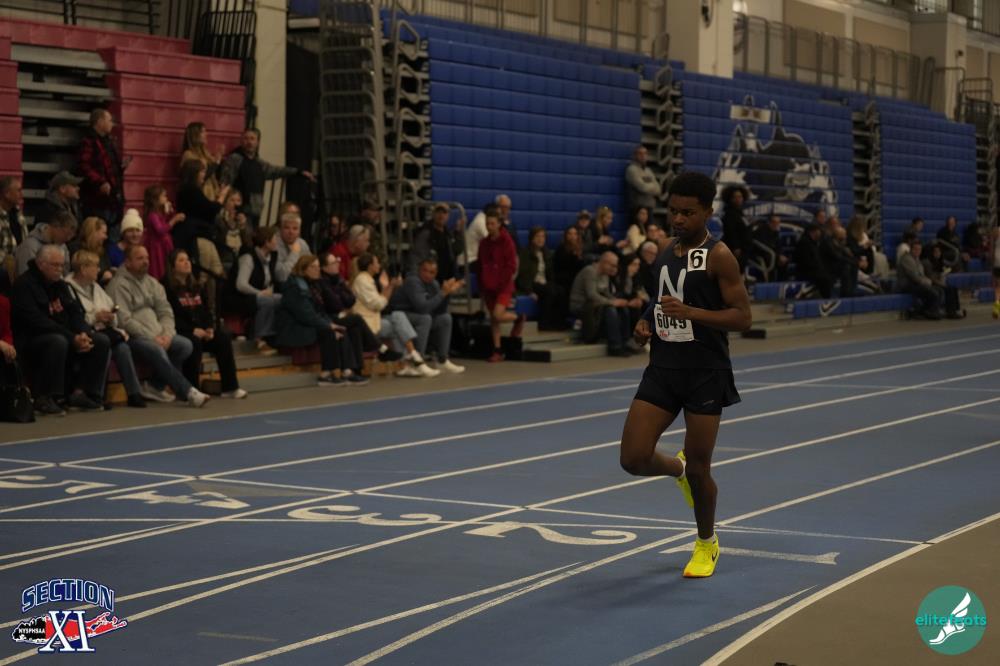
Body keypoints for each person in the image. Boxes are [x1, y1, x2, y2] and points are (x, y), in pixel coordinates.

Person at [620, 171, 752, 579]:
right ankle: (674, 470)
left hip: (704, 372)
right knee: (633, 458)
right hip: (663, 368)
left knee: (700, 468)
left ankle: (706, 543)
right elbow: (662, 299)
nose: (678, 219)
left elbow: (742, 317)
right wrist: (646, 320)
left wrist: (692, 313)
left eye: (688, 213)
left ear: (708, 212)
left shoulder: (719, 255)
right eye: (674, 211)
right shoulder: (666, 249)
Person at [11, 245, 112, 415]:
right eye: (55, 265)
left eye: (62, 265)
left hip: (63, 335)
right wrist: (72, 337)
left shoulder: (61, 285)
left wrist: (83, 333)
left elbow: (75, 312)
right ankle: (45, 398)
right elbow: (38, 322)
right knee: (57, 341)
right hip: (31, 339)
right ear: (41, 264)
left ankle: (81, 393)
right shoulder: (24, 285)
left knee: (100, 340)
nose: (60, 269)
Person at [107, 245, 211, 407]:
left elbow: (166, 312)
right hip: (133, 337)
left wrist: (167, 334)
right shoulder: (118, 285)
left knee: (185, 345)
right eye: (140, 258)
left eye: (147, 258)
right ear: (127, 262)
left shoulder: (153, 283)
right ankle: (188, 392)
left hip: (158, 334)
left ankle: (155, 385)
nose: (145, 262)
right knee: (156, 349)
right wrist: (152, 337)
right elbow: (124, 320)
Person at [67, 249, 146, 408]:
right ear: (83, 269)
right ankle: (96, 394)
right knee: (104, 344)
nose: (99, 269)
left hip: (103, 330)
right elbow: (73, 318)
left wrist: (110, 317)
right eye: (95, 266)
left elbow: (111, 308)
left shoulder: (96, 287)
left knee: (122, 348)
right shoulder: (68, 288)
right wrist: (95, 317)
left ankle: (134, 393)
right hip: (84, 333)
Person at [163, 249, 247, 398]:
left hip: (200, 330)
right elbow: (169, 315)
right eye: (181, 260)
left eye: (187, 259)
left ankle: (230, 387)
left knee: (222, 339)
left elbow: (206, 310)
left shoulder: (196, 285)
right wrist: (191, 330)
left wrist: (209, 328)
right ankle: (192, 390)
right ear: (173, 267)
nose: (187, 263)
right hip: (180, 331)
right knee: (193, 342)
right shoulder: (166, 288)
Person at [276, 254, 367, 386]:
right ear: (303, 269)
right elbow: (306, 315)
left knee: (339, 328)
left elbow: (320, 312)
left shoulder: (312, 285)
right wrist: (328, 326)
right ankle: (325, 374)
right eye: (313, 267)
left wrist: (331, 324)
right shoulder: (295, 287)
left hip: (304, 324)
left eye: (318, 267)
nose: (317, 270)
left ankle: (347, 371)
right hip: (292, 329)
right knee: (328, 331)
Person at [352, 253, 438, 377]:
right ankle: (415, 358)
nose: (379, 265)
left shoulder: (369, 279)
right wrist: (391, 286)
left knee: (398, 318)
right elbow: (378, 304)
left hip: (375, 319)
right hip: (366, 323)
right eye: (377, 263)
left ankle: (407, 362)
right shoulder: (362, 280)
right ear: (370, 266)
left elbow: (381, 300)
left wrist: (388, 286)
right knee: (398, 320)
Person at [317, 251, 402, 368]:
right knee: (394, 324)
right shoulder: (324, 282)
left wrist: (387, 287)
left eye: (337, 261)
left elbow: (350, 300)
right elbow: (336, 304)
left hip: (348, 316)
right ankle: (392, 354)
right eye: (333, 263)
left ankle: (357, 369)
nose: (337, 264)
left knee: (357, 327)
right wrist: (390, 287)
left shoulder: (338, 280)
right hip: (331, 318)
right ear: (324, 268)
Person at [220, 127, 314, 226]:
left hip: (256, 210)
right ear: (241, 141)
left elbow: (276, 171)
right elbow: (225, 183)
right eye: (246, 138)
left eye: (252, 139)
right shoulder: (234, 160)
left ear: (257, 142)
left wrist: (298, 172)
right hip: (238, 209)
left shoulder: (259, 164)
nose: (249, 142)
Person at [389, 258, 465, 373]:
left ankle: (442, 360)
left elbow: (439, 310)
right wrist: (442, 293)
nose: (427, 274)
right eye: (425, 270)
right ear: (419, 270)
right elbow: (423, 308)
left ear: (436, 274)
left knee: (445, 318)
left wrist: (447, 293)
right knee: (425, 318)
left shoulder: (434, 284)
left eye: (432, 272)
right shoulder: (413, 281)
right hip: (400, 314)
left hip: (416, 314)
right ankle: (418, 362)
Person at [477, 210, 523, 363]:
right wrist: (482, 285)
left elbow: (511, 265)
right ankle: (497, 350)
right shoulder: (484, 243)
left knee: (498, 314)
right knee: (493, 319)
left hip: (503, 285)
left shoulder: (507, 241)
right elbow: (480, 265)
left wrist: (502, 281)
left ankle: (518, 318)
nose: (489, 226)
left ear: (499, 224)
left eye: (492, 223)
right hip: (488, 285)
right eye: (487, 224)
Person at [569, 251, 632, 356]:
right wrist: (612, 302)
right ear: (604, 262)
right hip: (582, 306)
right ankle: (615, 346)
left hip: (596, 305)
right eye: (612, 265)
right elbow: (592, 295)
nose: (614, 269)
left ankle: (625, 342)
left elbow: (606, 293)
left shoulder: (605, 275)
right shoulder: (590, 271)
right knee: (610, 309)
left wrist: (619, 302)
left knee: (623, 309)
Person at [235, 225, 282, 355]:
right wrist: (260, 293)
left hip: (261, 294)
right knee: (268, 301)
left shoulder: (272, 256)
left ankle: (275, 336)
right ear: (266, 242)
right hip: (242, 297)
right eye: (274, 239)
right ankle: (259, 339)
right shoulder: (248, 257)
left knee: (282, 299)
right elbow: (241, 285)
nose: (277, 242)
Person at [78, 109, 126, 229]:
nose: (112, 124)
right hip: (97, 200)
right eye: (109, 120)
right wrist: (100, 182)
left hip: (113, 198)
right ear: (100, 122)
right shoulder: (89, 141)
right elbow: (84, 166)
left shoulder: (109, 142)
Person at [516, 226, 566, 331]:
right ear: (531, 238)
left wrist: (553, 284)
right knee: (549, 291)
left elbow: (550, 274)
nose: (541, 239)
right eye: (537, 236)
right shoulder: (525, 253)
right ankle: (544, 323)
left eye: (543, 236)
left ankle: (558, 322)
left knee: (560, 290)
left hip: (544, 283)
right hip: (532, 283)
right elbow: (523, 275)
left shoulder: (546, 253)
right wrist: (529, 291)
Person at [143, 184, 184, 281]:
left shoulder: (159, 213)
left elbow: (165, 223)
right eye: (164, 196)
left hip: (164, 245)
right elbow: (160, 230)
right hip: (157, 247)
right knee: (159, 268)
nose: (166, 198)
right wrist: (174, 220)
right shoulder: (152, 215)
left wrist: (170, 212)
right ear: (156, 199)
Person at [180, 121, 224, 201]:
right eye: (203, 132)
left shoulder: (206, 153)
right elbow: (197, 176)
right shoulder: (188, 154)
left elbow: (213, 173)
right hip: (199, 194)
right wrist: (216, 163)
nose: (206, 134)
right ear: (195, 135)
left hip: (211, 193)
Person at [625, 145, 660, 214]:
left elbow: (658, 189)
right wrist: (652, 186)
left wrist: (648, 186)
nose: (643, 156)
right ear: (635, 155)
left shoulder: (648, 171)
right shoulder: (632, 170)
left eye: (645, 153)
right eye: (640, 153)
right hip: (637, 209)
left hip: (649, 208)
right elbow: (643, 187)